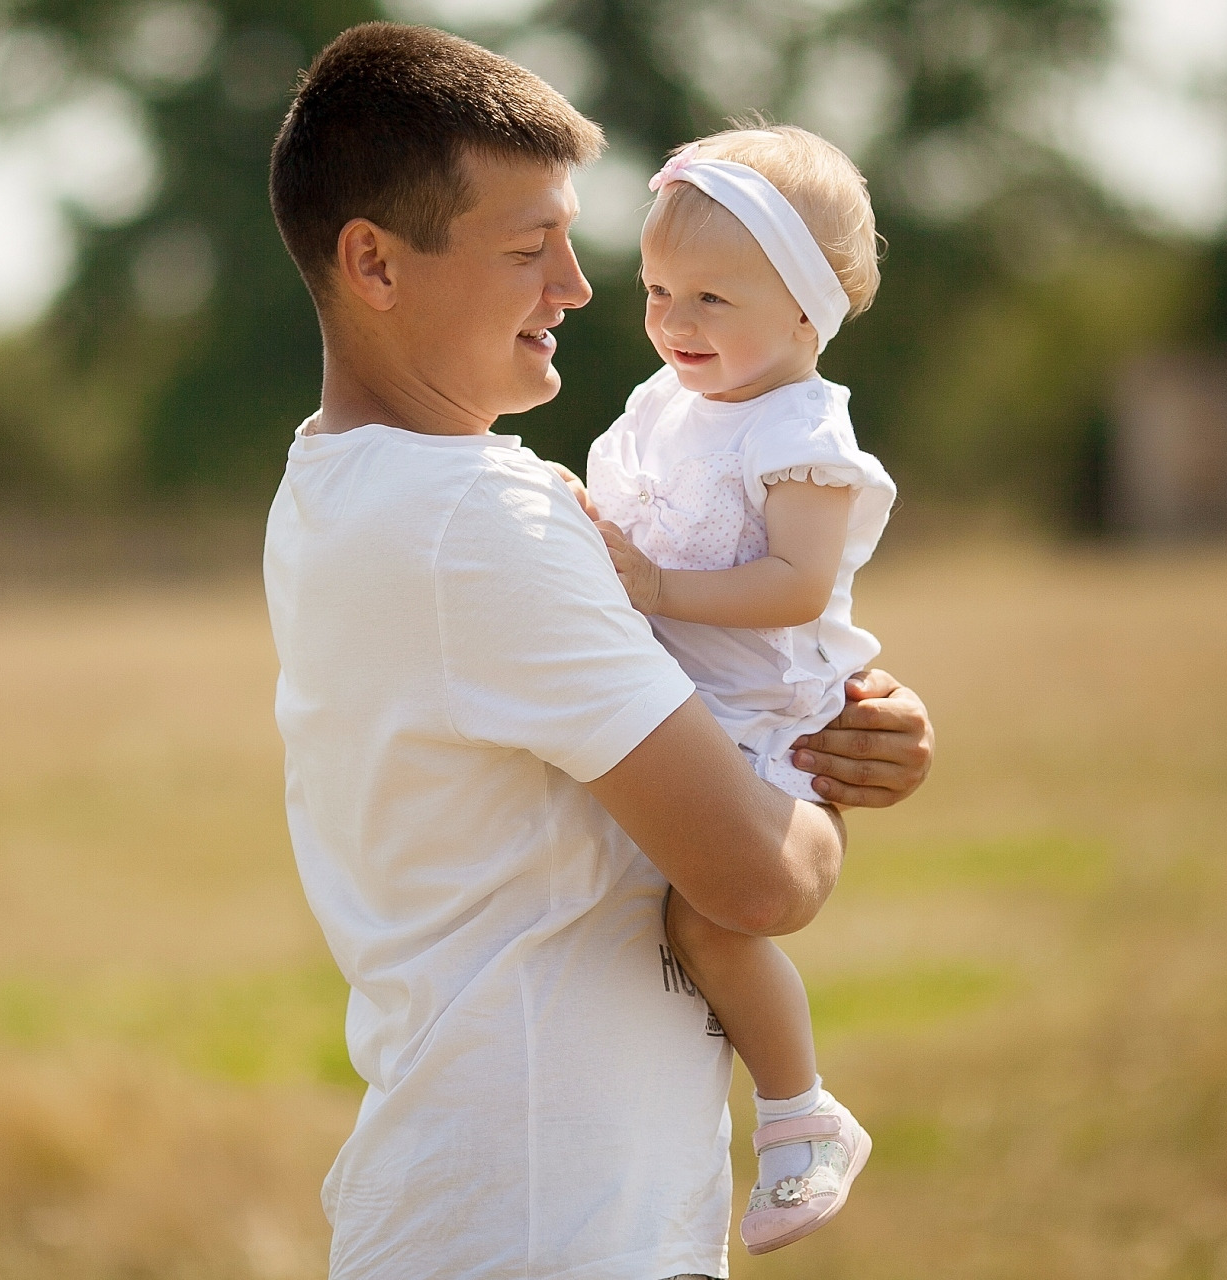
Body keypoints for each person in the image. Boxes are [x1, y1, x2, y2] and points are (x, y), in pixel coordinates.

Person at [260, 22, 934, 1280]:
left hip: (487, 1199)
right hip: (552, 1226)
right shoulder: (479, 521)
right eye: (530, 249)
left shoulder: (338, 486)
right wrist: (827, 780)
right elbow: (755, 884)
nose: (577, 287)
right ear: (374, 263)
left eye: (573, 243)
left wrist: (835, 713)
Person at [556, 125, 893, 1255]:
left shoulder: (803, 430)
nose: (672, 321)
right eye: (657, 290)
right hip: (676, 692)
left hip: (761, 712)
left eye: (710, 295)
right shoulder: (666, 397)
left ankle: (802, 1111)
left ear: (809, 308)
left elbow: (796, 585)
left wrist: (656, 584)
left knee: (708, 910)